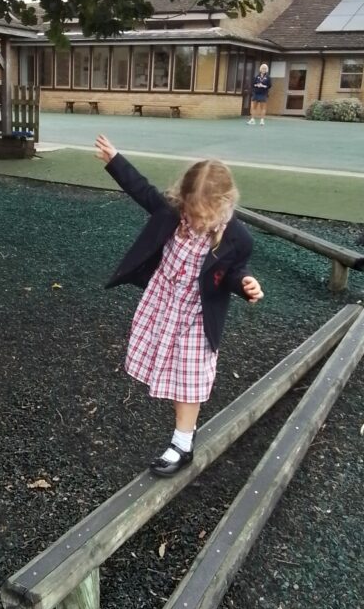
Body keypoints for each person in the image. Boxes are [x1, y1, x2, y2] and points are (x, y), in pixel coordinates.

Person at [95, 134, 263, 477]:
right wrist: (115, 160)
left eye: (205, 216)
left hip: (198, 316)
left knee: (190, 379)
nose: (197, 222)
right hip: (163, 304)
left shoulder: (237, 237)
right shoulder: (173, 213)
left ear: (225, 205)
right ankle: (182, 435)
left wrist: (246, 286)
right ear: (183, 200)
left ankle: (182, 442)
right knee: (171, 371)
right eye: (192, 212)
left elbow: (234, 272)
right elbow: (141, 190)